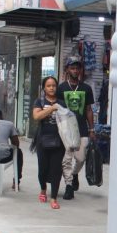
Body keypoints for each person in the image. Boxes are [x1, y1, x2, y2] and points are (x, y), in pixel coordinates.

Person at [58, 56, 95, 200]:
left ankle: (74, 174)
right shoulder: (61, 88)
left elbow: (88, 110)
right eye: (72, 68)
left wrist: (92, 129)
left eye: (77, 68)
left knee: (81, 158)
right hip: (66, 130)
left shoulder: (86, 88)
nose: (75, 70)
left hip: (82, 129)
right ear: (67, 69)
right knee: (66, 159)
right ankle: (69, 185)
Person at [31, 76, 66, 209]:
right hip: (43, 140)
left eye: (53, 86)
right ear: (44, 88)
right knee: (43, 169)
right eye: (48, 86)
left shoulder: (62, 103)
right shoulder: (39, 101)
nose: (51, 88)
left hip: (59, 141)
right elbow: (36, 116)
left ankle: (53, 197)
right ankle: (43, 189)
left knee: (56, 170)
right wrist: (51, 109)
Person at [0, 108, 23, 189]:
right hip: (3, 156)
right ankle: (16, 182)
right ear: (1, 116)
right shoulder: (9, 124)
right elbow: (16, 143)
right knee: (18, 152)